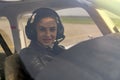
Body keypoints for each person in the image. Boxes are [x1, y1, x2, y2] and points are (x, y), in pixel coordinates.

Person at [5, 8, 65, 80]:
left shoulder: (58, 50)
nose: (48, 34)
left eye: (52, 29)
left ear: (58, 31)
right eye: (42, 29)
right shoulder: (27, 56)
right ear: (33, 31)